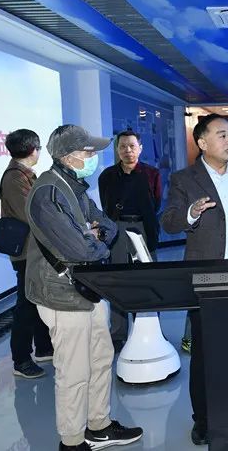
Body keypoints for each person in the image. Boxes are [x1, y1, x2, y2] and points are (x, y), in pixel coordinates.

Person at [25, 124, 143, 451]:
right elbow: (81, 250)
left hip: (88, 287)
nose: (93, 157)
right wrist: (92, 240)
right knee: (74, 371)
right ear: (68, 156)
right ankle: (73, 440)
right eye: (88, 151)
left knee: (101, 358)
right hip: (61, 293)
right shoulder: (49, 193)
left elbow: (107, 226)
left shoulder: (74, 187)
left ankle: (98, 425)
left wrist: (94, 235)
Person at [161, 113, 228, 446]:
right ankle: (204, 419)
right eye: (222, 135)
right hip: (206, 276)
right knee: (205, 352)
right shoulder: (184, 179)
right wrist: (191, 213)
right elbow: (169, 222)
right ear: (203, 142)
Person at [98, 130, 162, 350]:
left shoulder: (152, 174)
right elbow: (106, 206)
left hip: (144, 228)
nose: (128, 150)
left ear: (140, 148)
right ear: (117, 150)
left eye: (132, 146)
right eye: (123, 146)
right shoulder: (107, 176)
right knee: (118, 280)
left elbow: (156, 204)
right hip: (117, 229)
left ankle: (151, 329)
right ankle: (118, 333)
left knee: (147, 281)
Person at [0, 128, 53, 379]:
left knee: (38, 300)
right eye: (39, 148)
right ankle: (20, 360)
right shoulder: (14, 177)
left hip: (34, 250)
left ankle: (43, 348)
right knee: (26, 305)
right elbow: (31, 213)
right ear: (33, 150)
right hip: (26, 253)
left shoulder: (24, 174)